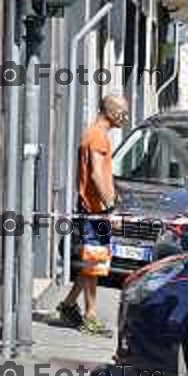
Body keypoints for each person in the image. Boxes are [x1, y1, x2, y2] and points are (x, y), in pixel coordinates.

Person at [57, 94, 129, 335]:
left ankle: (68, 305)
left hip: (96, 210)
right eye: (123, 112)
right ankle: (90, 316)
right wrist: (109, 209)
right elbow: (97, 175)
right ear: (111, 112)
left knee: (93, 262)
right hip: (97, 212)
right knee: (95, 264)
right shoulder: (98, 137)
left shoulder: (94, 135)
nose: (125, 117)